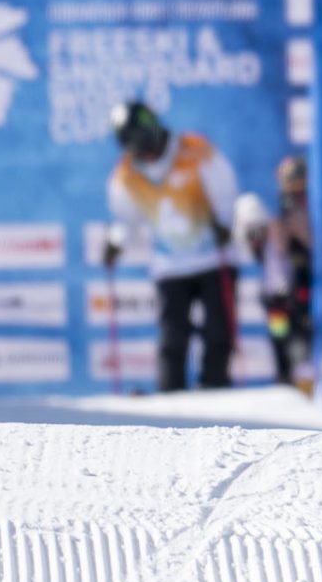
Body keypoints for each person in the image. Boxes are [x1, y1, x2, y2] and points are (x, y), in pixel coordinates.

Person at [101, 100, 239, 393]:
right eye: (128, 144)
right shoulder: (127, 174)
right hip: (170, 265)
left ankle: (216, 392)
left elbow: (225, 188)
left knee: (218, 333)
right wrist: (115, 243)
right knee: (172, 338)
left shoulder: (194, 150)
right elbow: (127, 219)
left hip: (212, 258)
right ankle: (170, 404)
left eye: (137, 140)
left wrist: (224, 223)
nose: (136, 150)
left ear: (150, 129)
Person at [247, 156, 316, 389]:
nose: (294, 184)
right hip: (276, 292)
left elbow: (309, 244)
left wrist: (296, 227)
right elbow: (266, 251)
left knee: (302, 339)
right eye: (290, 178)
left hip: (302, 289)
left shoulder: (311, 208)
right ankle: (284, 380)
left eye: (298, 177)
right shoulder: (273, 210)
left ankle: (302, 385)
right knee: (279, 337)